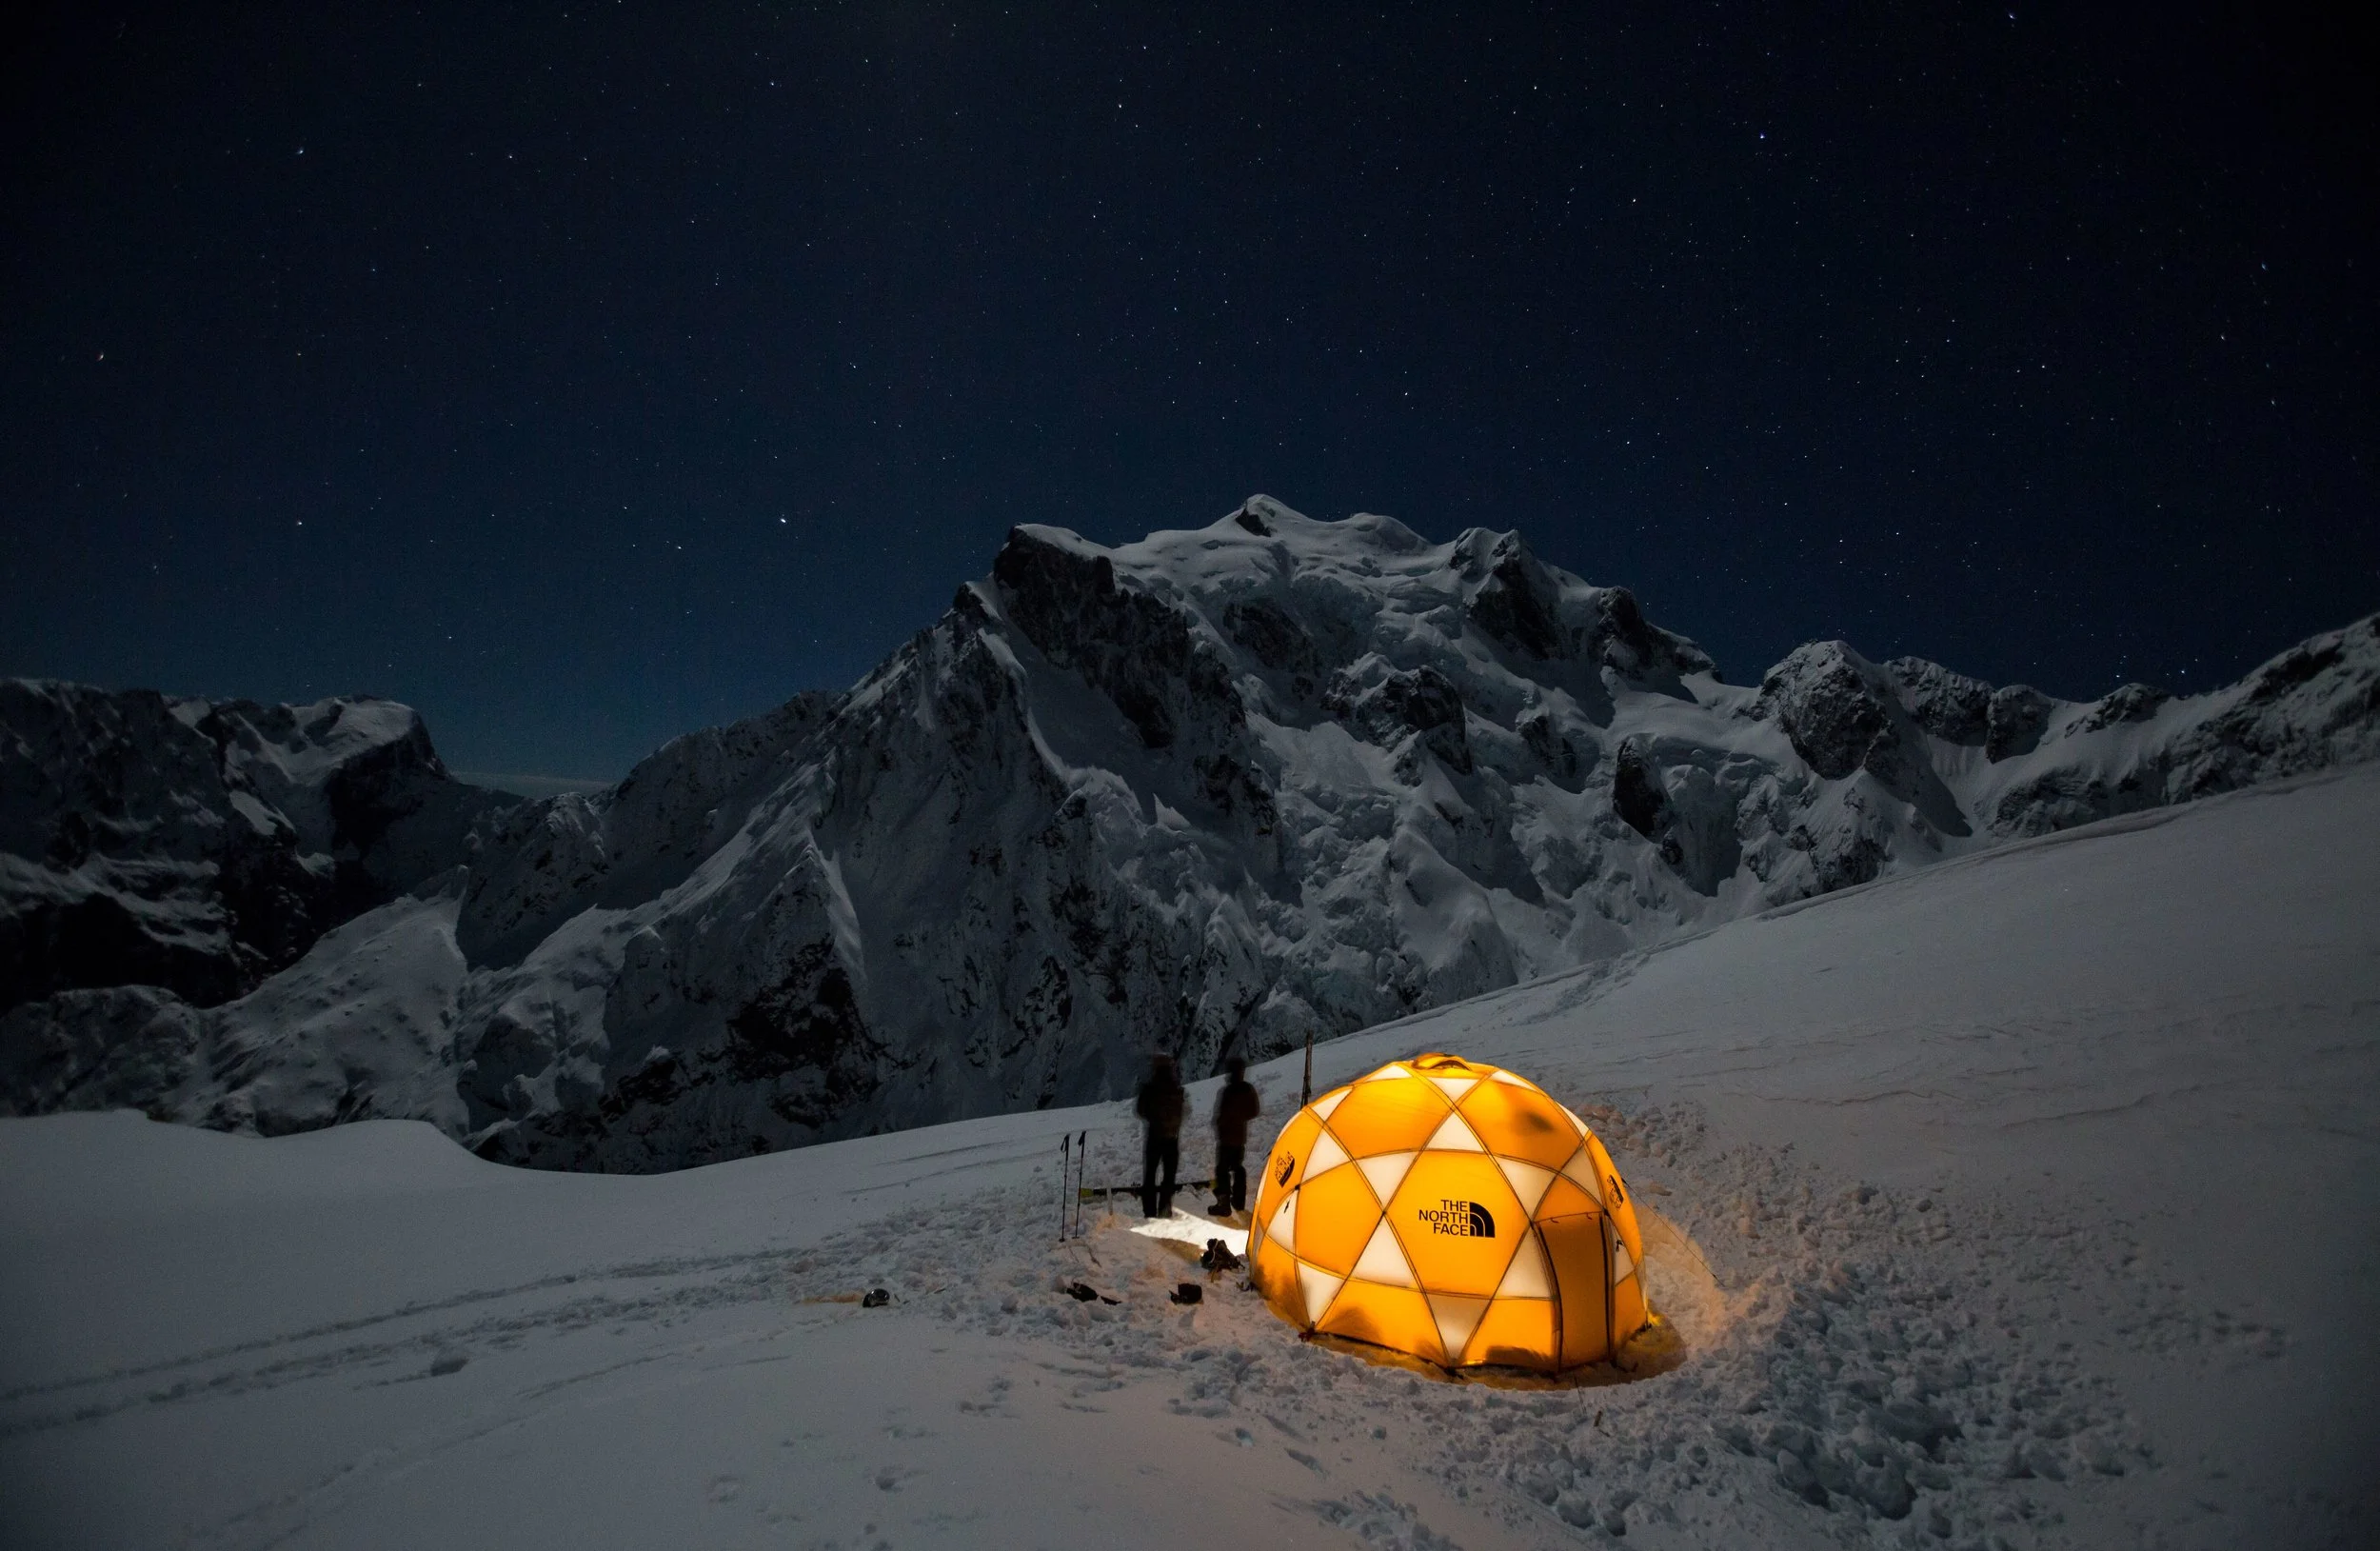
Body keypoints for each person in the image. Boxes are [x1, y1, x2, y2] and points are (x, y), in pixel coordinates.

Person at [1210, 1056, 1261, 1218]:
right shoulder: (1247, 1089)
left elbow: (1222, 1114)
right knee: (1238, 1168)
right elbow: (1254, 1111)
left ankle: (1223, 1204)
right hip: (1240, 1137)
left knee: (1222, 1170)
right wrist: (1241, 1118)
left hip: (1226, 1137)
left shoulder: (1228, 1091)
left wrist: (1221, 1123)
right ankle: (1239, 1202)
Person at [1135, 1052, 1185, 1218]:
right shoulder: (1175, 1087)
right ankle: (1165, 1207)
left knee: (1150, 1175)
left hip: (1154, 1136)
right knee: (1168, 1176)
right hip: (1172, 1138)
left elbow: (1141, 1110)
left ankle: (1149, 1211)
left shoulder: (1150, 1088)